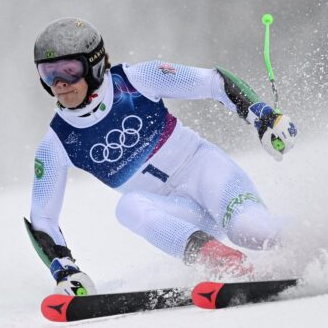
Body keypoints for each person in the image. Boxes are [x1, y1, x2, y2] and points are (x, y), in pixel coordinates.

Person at [24, 17, 298, 296]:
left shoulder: (137, 79)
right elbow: (42, 218)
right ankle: (225, 263)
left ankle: (326, 242)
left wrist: (263, 117)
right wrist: (65, 269)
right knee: (128, 207)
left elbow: (214, 83)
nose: (59, 84)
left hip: (207, 175)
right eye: (48, 74)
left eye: (69, 70)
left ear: (93, 65)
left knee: (249, 229)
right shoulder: (56, 143)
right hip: (180, 213)